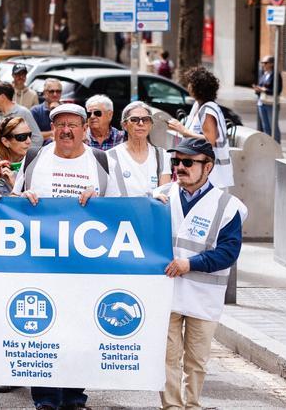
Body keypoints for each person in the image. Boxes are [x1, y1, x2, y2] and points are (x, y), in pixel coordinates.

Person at [11, 103, 108, 410]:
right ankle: (46, 398)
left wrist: (101, 203)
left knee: (79, 329)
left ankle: (74, 396)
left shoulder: (101, 161)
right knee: (42, 329)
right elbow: (11, 201)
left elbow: (124, 207)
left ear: (84, 129)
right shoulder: (34, 158)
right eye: (60, 124)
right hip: (40, 264)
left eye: (73, 125)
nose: (66, 130)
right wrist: (22, 198)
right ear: (52, 129)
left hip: (85, 266)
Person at [160, 137, 246, 410]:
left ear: (208, 167)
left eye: (188, 162)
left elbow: (228, 253)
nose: (180, 167)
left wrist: (191, 264)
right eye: (176, 162)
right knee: (167, 358)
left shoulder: (228, 206)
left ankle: (192, 404)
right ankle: (172, 406)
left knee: (196, 360)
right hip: (166, 293)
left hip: (203, 295)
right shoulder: (159, 196)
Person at [167, 67, 232, 190]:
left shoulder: (208, 109)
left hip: (213, 175)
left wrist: (183, 130)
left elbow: (210, 141)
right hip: (203, 173)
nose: (188, 86)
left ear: (198, 87)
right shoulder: (199, 106)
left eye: (190, 83)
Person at [105, 102, 170, 197]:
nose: (140, 123)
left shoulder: (162, 155)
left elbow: (165, 194)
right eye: (134, 120)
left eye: (146, 119)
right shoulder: (110, 156)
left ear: (151, 125)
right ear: (124, 125)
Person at [0, 82, 42, 159]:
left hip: (17, 167)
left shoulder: (23, 112)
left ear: (2, 97)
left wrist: (25, 157)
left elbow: (38, 138)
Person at [254, 55, 281, 141]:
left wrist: (264, 90)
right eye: (262, 63)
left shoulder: (276, 75)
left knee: (273, 126)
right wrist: (257, 89)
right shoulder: (263, 74)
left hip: (271, 104)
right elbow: (261, 87)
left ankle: (277, 145)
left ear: (271, 64)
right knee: (265, 127)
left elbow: (277, 90)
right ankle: (269, 146)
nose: (263, 65)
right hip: (261, 103)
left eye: (265, 63)